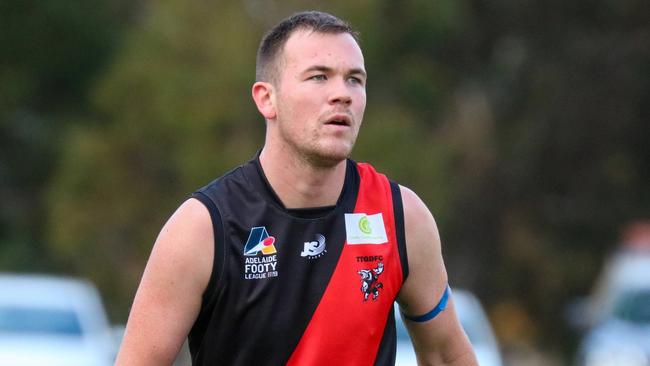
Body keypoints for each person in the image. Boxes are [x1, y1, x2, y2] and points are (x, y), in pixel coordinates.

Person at [115, 10, 478, 366]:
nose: (343, 94)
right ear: (266, 99)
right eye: (319, 77)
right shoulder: (203, 229)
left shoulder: (402, 217)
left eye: (354, 79)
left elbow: (447, 355)